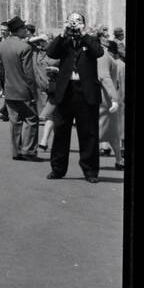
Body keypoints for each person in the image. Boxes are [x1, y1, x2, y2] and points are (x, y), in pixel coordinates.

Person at [45, 12, 105, 182]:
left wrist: (83, 34)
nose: (74, 24)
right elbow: (51, 53)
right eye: (71, 21)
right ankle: (57, 169)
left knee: (88, 133)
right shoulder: (63, 40)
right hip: (66, 90)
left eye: (78, 21)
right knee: (60, 132)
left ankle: (90, 171)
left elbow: (98, 52)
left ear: (83, 24)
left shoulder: (90, 39)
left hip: (86, 92)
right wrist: (62, 33)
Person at [0, 16, 40, 161]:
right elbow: (28, 73)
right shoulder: (25, 47)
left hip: (9, 88)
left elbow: (1, 68)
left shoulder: (1, 46)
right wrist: (33, 92)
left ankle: (16, 151)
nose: (26, 31)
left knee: (15, 120)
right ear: (19, 30)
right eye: (24, 28)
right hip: (23, 89)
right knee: (31, 118)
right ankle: (28, 150)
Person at [97, 38, 123, 170]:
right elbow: (104, 77)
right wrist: (114, 97)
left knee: (111, 132)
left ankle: (119, 159)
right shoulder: (105, 57)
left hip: (107, 99)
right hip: (105, 99)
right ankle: (117, 160)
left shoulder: (105, 57)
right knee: (103, 131)